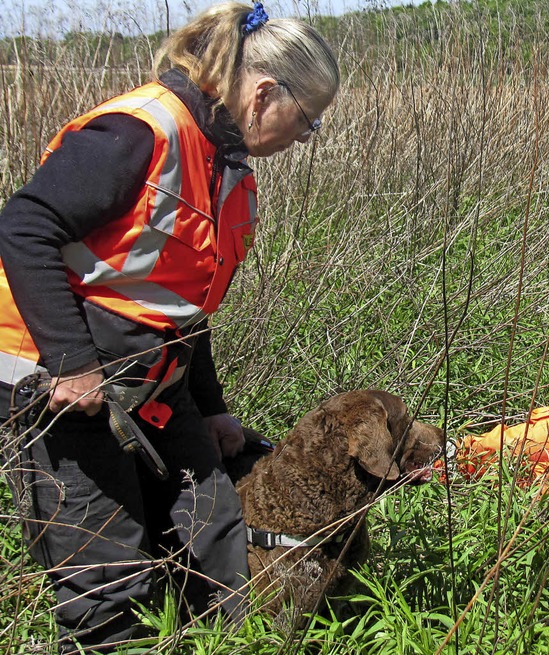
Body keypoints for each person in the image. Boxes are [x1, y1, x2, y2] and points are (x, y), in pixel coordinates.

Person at [0, 2, 339, 652]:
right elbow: (24, 226)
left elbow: (184, 302)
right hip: (55, 389)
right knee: (109, 578)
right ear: (266, 93)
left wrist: (211, 408)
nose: (304, 138)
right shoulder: (141, 133)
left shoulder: (224, 165)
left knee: (215, 527)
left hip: (153, 383)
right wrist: (72, 365)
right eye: (307, 122)